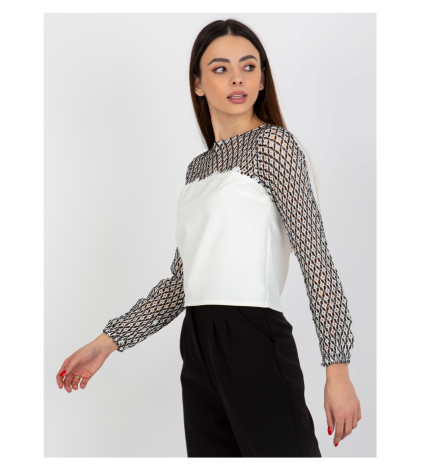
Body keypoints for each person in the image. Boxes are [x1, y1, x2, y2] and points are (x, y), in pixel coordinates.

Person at [56, 18, 361, 457]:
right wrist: (108, 341)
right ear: (197, 84)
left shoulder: (274, 146)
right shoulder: (196, 170)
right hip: (197, 345)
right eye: (220, 68)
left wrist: (338, 369)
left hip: (253, 337)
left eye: (249, 66)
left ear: (262, 79)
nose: (237, 78)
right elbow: (182, 284)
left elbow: (316, 260)